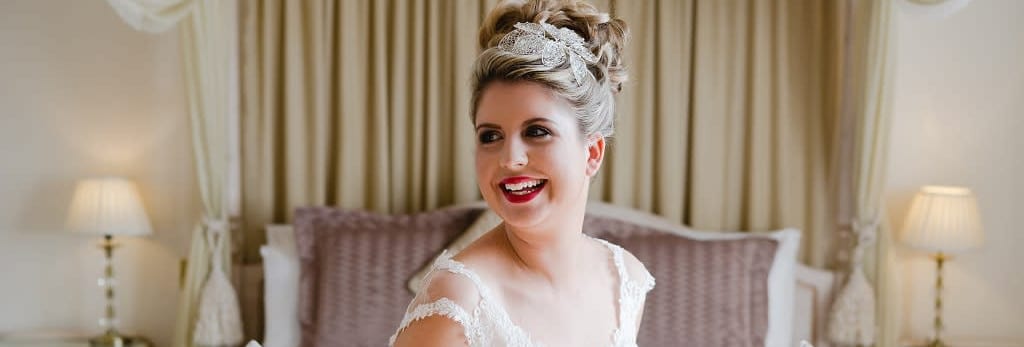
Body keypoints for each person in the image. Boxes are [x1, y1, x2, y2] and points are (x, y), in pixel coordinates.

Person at [390, 0, 654, 346]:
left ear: (592, 152)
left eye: (537, 131)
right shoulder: (457, 301)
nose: (510, 159)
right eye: (491, 136)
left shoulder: (625, 281)